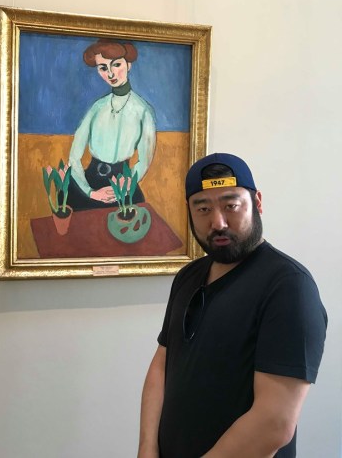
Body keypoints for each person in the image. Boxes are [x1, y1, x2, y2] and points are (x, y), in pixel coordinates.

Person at [138, 153, 327, 458]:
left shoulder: (288, 286)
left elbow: (274, 423)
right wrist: (147, 449)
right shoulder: (188, 277)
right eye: (203, 209)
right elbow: (162, 365)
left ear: (257, 202)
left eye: (231, 206)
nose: (218, 222)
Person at [67, 39, 156, 210]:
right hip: (90, 183)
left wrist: (125, 186)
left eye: (116, 65)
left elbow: (144, 160)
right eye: (103, 68)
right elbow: (74, 158)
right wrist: (91, 192)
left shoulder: (143, 111)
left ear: (128, 65)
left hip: (124, 185)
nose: (110, 74)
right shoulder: (97, 108)